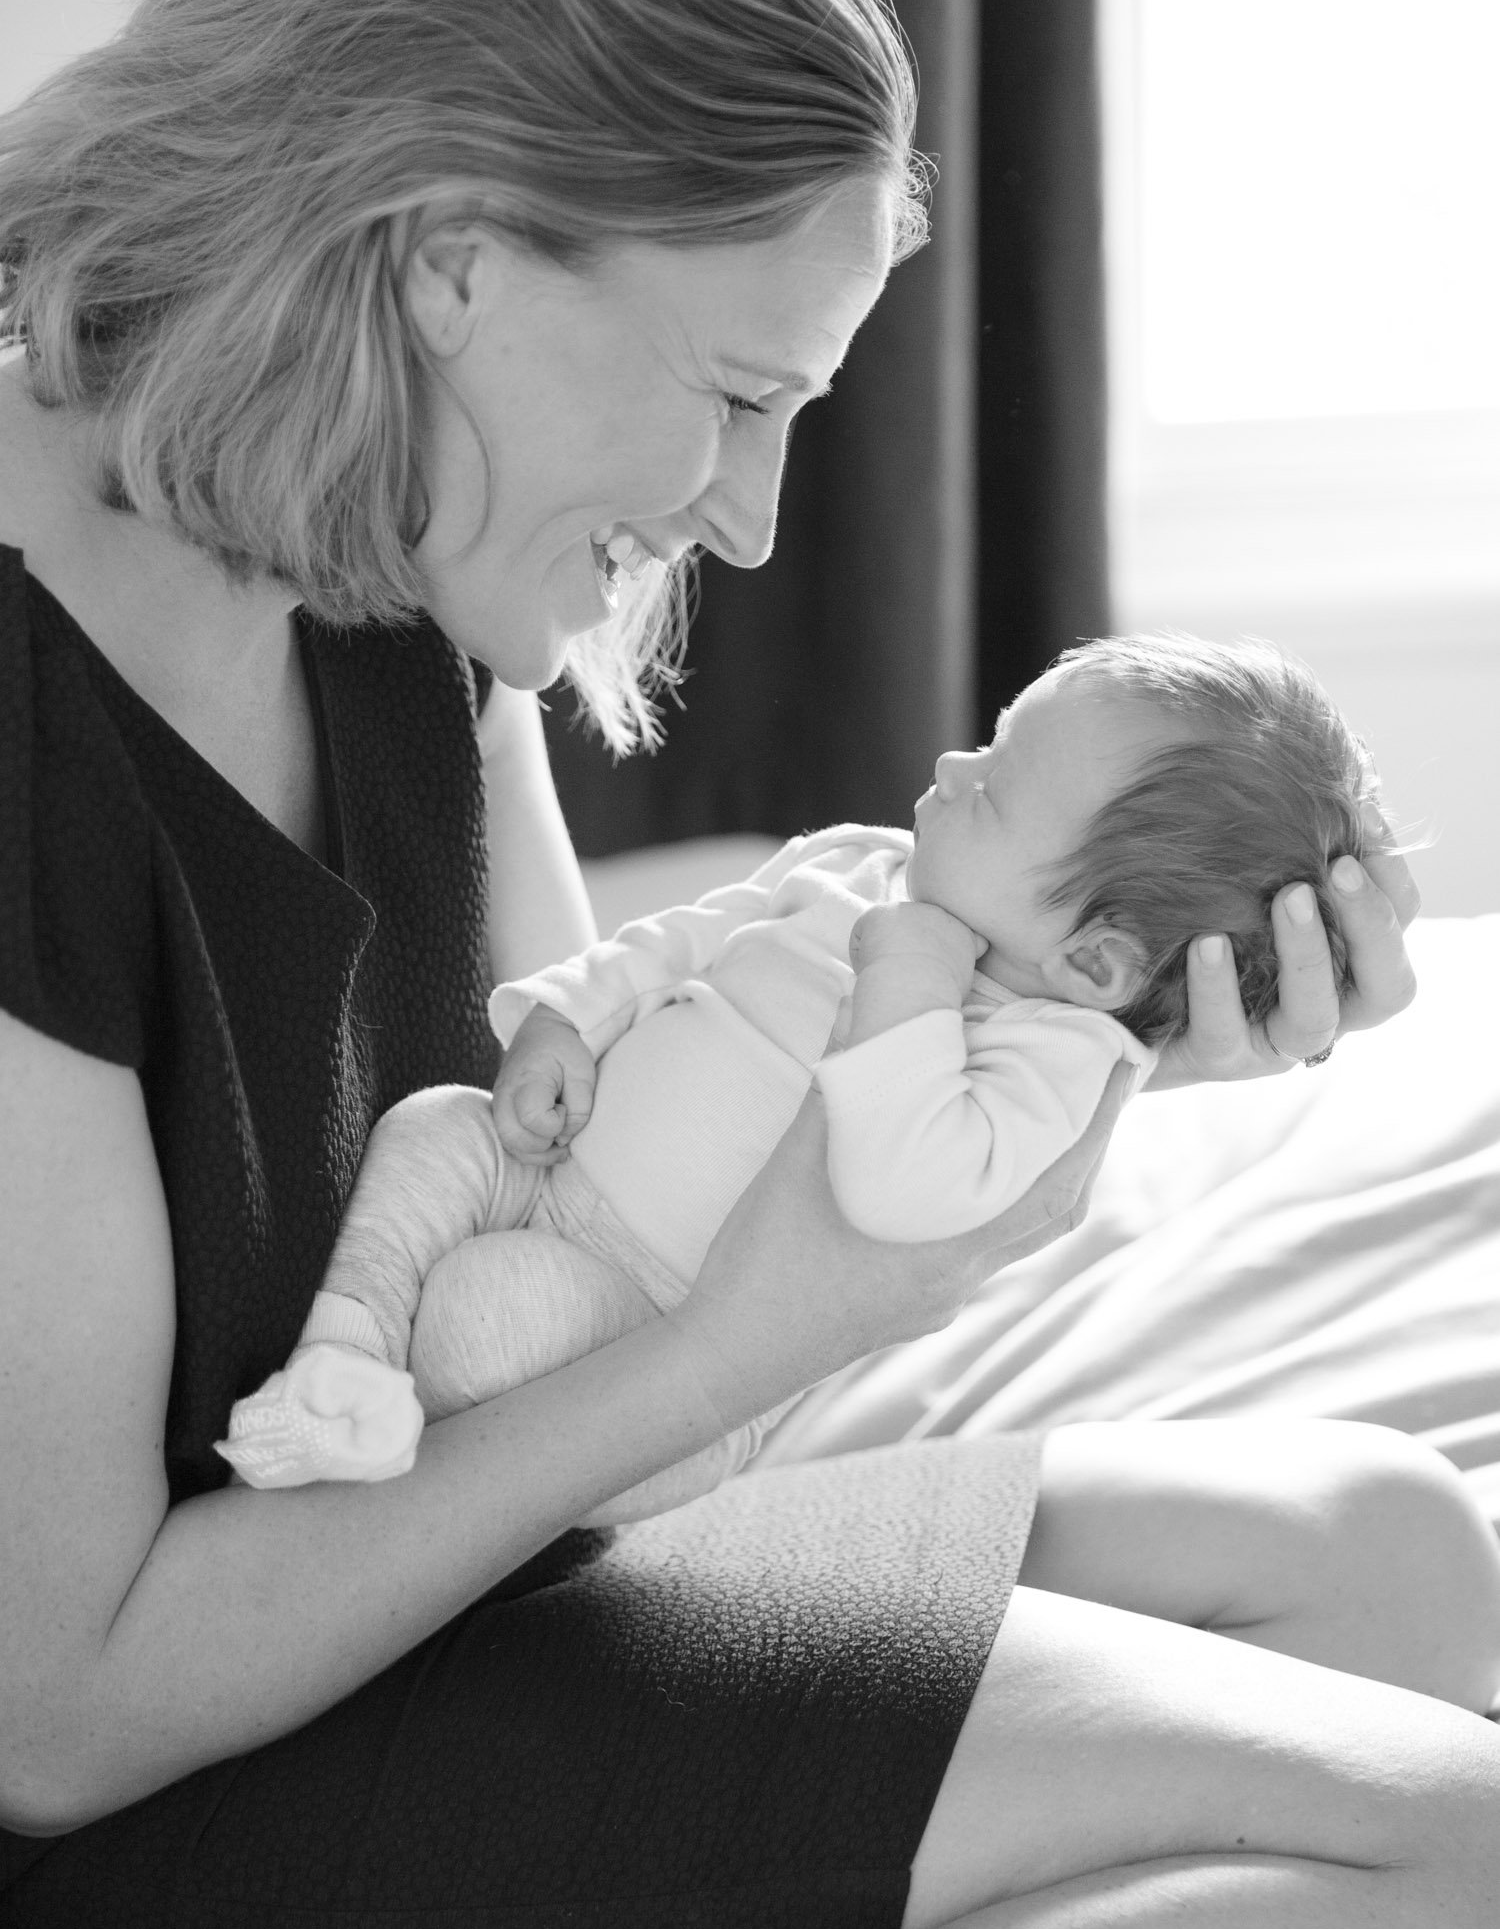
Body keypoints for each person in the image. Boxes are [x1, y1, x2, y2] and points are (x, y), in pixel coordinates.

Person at [0, 0, 1496, 1929]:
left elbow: (610, 1157)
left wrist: (1050, 1017)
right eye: (734, 395)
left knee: (1396, 1547)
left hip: (480, 1585)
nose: (763, 524)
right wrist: (762, 1338)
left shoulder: (394, 562)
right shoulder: (33, 738)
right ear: (450, 257)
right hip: (190, 1799)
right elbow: (59, 1712)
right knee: (1467, 1880)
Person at [218, 633, 1391, 1530]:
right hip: (545, 1160)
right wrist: (565, 1021)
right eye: (985, 738)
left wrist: (913, 978)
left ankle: (396, 1445)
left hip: (639, 1330)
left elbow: (903, 1189)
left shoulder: (1051, 1054)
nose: (947, 764)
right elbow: (684, 937)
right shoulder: (863, 862)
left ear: (1095, 962)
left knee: (482, 1310)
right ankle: (340, 1358)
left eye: (989, 788)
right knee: (431, 1128)